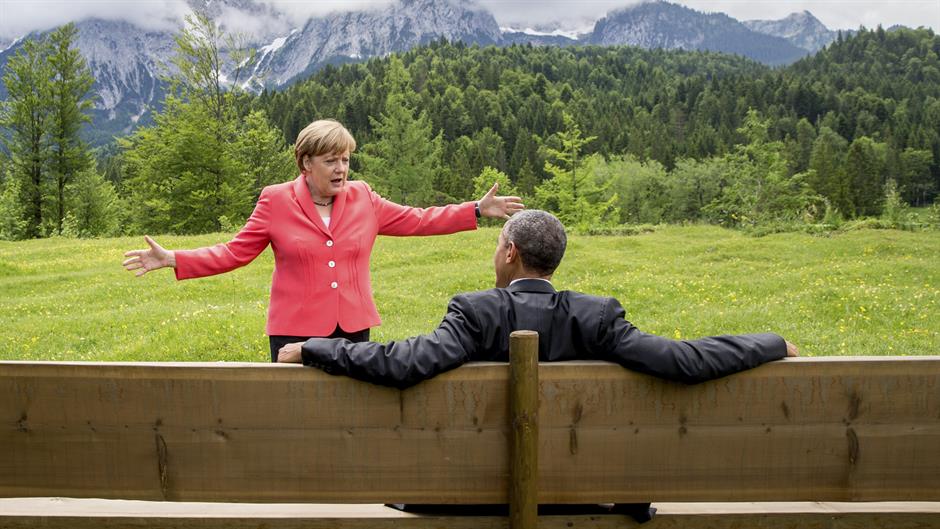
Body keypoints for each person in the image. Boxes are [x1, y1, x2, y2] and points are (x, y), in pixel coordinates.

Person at [122, 119, 524, 361]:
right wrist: (174, 258)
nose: (341, 169)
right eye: (331, 160)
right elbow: (234, 252)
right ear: (306, 163)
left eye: (346, 159)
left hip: (352, 327)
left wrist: (473, 209)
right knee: (296, 418)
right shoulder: (275, 200)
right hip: (294, 329)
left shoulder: (364, 197)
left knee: (350, 414)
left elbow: (417, 219)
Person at [277, 209, 798, 387]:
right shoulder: (597, 317)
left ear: (509, 252)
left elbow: (405, 363)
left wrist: (316, 348)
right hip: (586, 490)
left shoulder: (474, 312)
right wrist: (771, 342)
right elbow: (684, 360)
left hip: (471, 497)